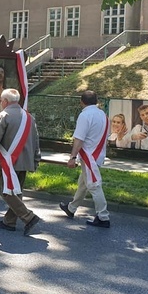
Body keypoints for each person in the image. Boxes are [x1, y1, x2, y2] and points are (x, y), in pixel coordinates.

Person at [0, 88, 41, 235]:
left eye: (1, 101)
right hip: (25, 161)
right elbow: (36, 140)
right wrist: (35, 159)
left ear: (5, 101)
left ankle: (28, 216)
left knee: (6, 191)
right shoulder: (29, 117)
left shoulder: (3, 116)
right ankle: (9, 221)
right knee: (16, 191)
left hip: (8, 161)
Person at [59, 90, 111, 228]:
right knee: (83, 183)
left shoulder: (85, 115)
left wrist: (72, 157)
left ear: (81, 101)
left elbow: (79, 138)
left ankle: (103, 216)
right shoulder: (104, 116)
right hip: (98, 154)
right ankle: (71, 208)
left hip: (89, 156)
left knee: (94, 185)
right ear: (97, 101)